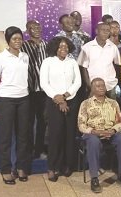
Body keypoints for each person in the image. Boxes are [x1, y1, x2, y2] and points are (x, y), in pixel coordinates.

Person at [0, 26, 30, 184]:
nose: (18, 41)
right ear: (8, 40)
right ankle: (5, 169)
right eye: (14, 38)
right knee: (6, 136)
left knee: (23, 136)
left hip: (24, 99)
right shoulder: (0, 57)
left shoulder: (25, 56)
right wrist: (0, 93)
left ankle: (20, 167)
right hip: (5, 99)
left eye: (20, 38)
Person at [78, 78, 121, 193]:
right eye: (98, 86)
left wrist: (112, 131)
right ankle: (94, 178)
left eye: (103, 85)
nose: (101, 87)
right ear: (92, 89)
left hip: (110, 132)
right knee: (93, 142)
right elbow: (81, 125)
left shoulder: (113, 103)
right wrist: (94, 132)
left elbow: (120, 122)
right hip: (93, 133)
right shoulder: (85, 104)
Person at [40, 36, 82, 181]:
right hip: (53, 102)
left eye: (66, 47)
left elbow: (78, 82)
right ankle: (52, 167)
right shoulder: (48, 62)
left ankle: (67, 165)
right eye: (60, 47)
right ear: (55, 48)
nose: (63, 49)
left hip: (71, 100)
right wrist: (58, 99)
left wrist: (65, 96)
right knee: (55, 135)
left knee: (69, 134)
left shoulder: (72, 62)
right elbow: (44, 83)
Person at [20, 20, 48, 160]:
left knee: (43, 121)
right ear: (27, 30)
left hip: (44, 91)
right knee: (29, 122)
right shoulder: (23, 46)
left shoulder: (47, 45)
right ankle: (29, 150)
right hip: (29, 90)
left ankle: (40, 149)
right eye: (32, 27)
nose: (36, 29)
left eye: (38, 26)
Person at [78, 22, 120, 99]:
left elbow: (117, 65)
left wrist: (114, 79)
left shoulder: (113, 47)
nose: (105, 32)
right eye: (103, 30)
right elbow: (83, 68)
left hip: (110, 85)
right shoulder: (87, 48)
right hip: (94, 86)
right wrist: (89, 86)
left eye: (107, 30)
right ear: (97, 31)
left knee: (111, 109)